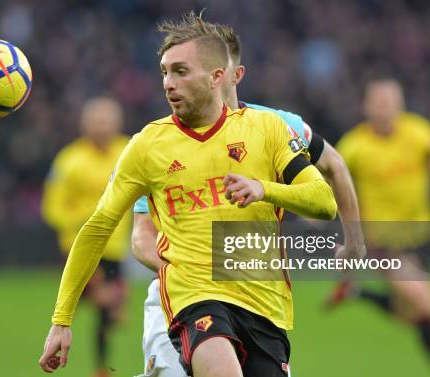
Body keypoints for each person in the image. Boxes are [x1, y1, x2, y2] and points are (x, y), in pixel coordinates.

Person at [39, 11, 338, 377]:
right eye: (164, 71)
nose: (168, 83)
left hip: (265, 304)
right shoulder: (147, 145)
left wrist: (264, 189)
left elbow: (324, 201)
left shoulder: (266, 129)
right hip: (194, 298)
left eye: (180, 71)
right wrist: (62, 320)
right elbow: (98, 227)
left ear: (216, 78)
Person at [131, 15, 365, 377]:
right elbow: (142, 234)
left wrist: (354, 242)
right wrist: (188, 271)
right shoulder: (163, 144)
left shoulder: (277, 125)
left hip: (255, 298)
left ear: (231, 75)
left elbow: (334, 167)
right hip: (182, 299)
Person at [326, 78, 430, 377]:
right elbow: (328, 185)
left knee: (409, 313)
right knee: (424, 305)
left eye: (390, 101)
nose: (385, 108)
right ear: (366, 106)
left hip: (424, 239)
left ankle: (356, 294)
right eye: (378, 102)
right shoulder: (354, 146)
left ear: (401, 104)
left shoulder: (419, 132)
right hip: (383, 244)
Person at [41, 96, 132, 377]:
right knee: (97, 305)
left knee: (108, 316)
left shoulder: (129, 150)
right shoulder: (69, 160)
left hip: (115, 247)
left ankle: (99, 366)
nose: (102, 127)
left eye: (107, 121)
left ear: (118, 123)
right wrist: (79, 222)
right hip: (78, 247)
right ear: (84, 124)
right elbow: (51, 206)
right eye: (97, 121)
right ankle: (70, 352)